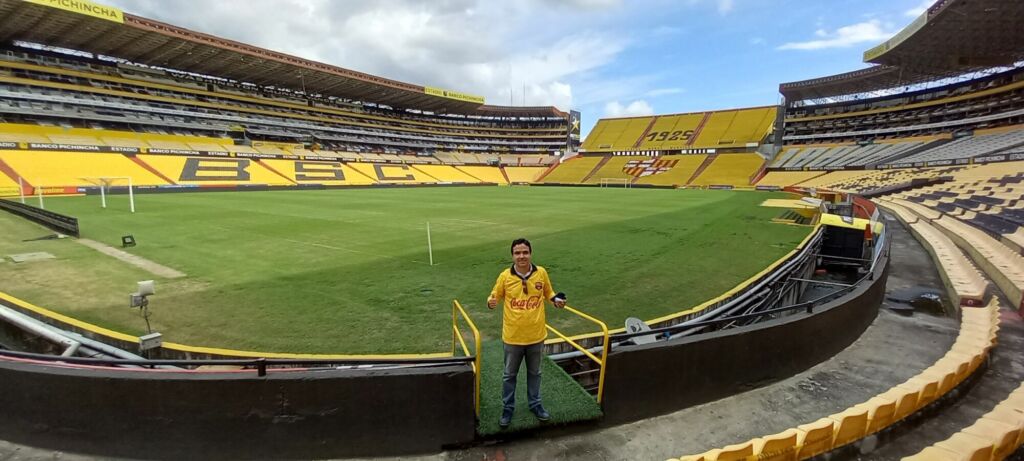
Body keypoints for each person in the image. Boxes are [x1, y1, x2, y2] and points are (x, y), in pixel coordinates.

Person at [487, 238, 566, 428]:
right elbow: (494, 295)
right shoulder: (505, 276)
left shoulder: (541, 273)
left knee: (535, 373)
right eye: (517, 253)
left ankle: (535, 404)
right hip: (513, 337)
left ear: (530, 253)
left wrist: (557, 300)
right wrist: (490, 301)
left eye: (525, 252)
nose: (521, 256)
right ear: (512, 255)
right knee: (509, 375)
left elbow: (548, 293)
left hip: (536, 336)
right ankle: (507, 408)